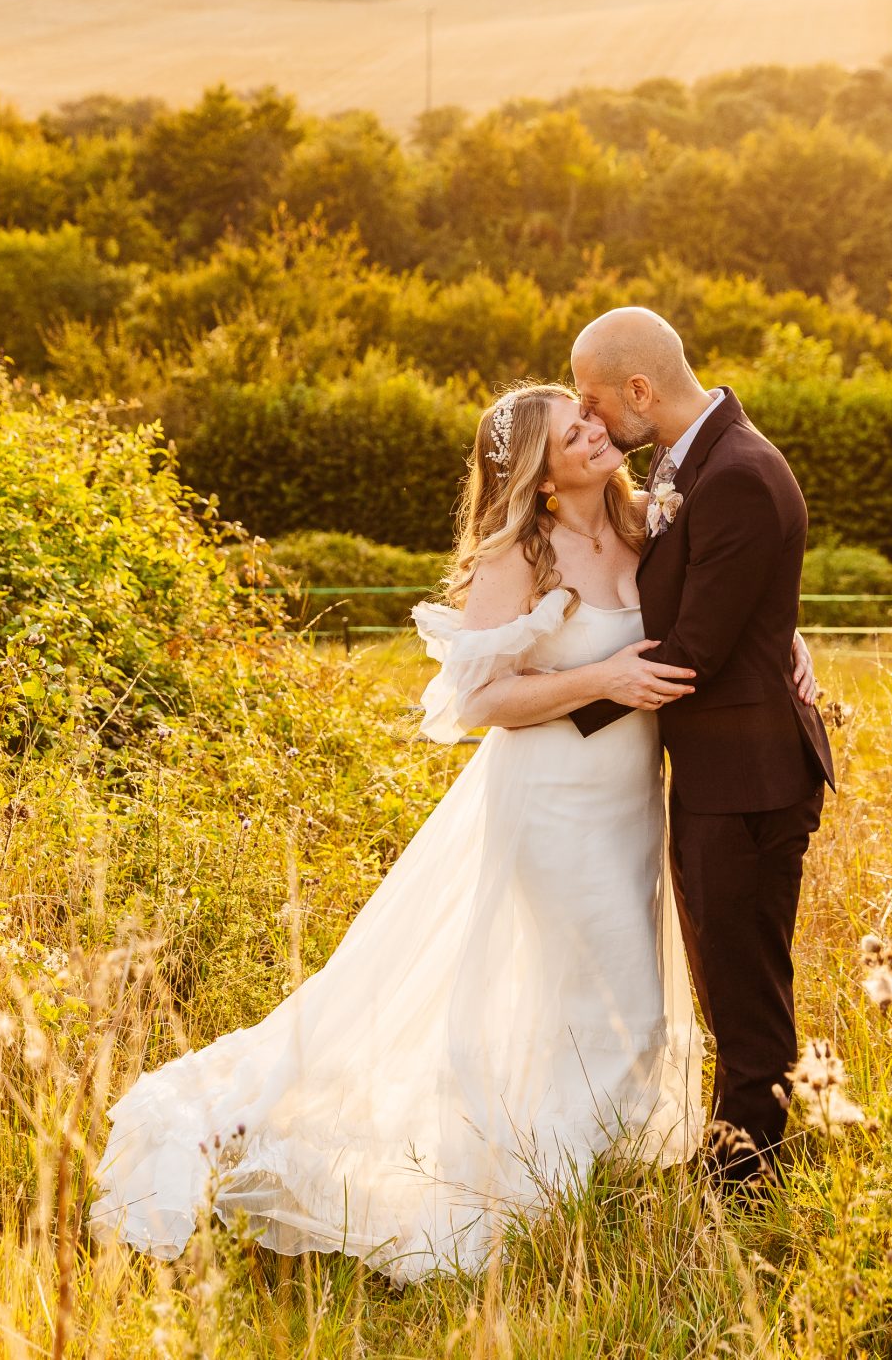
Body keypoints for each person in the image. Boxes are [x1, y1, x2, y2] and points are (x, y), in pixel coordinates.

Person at [89, 383, 708, 1282]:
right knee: (619, 1007)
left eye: (588, 416)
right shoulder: (517, 556)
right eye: (572, 431)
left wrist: (786, 645)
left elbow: (722, 595)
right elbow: (477, 702)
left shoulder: (648, 520)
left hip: (630, 804)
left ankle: (578, 1177)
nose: (596, 429)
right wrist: (603, 678)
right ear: (539, 477)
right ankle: (553, 1198)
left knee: (611, 1002)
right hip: (551, 807)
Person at [568, 305, 835, 1186]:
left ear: (641, 389)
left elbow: (696, 652)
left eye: (595, 401)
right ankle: (738, 1149)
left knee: (745, 983)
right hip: (719, 771)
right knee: (725, 973)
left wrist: (549, 714)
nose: (589, 419)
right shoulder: (689, 463)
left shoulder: (739, 474)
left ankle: (749, 1178)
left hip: (750, 776)